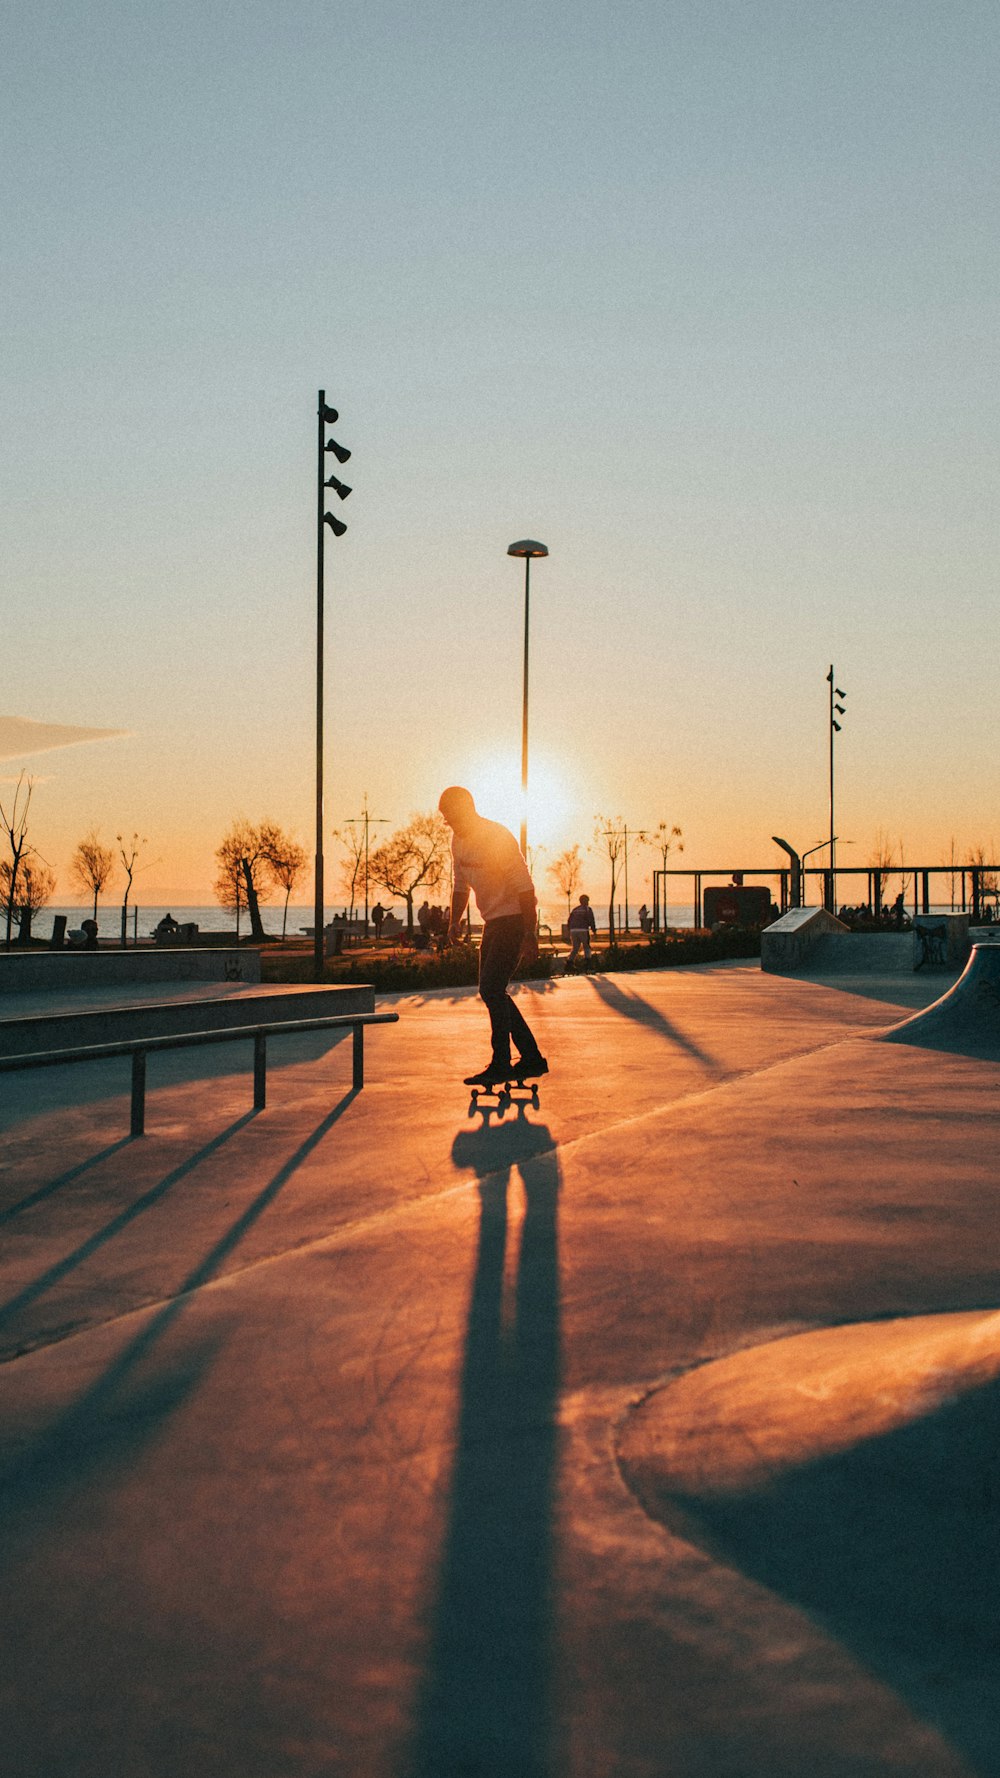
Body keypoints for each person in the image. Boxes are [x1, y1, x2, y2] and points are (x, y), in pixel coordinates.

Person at [439, 785, 548, 1087]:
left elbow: (526, 889)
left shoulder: (497, 837)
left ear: (468, 810)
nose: (452, 825)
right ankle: (531, 1058)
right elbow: (460, 885)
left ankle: (502, 1062)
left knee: (491, 989)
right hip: (492, 923)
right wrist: (454, 921)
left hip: (513, 920)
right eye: (447, 820)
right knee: (492, 991)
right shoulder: (458, 842)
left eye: (454, 818)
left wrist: (530, 934)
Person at [566, 893, 596, 968]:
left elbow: (569, 920)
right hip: (583, 930)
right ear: (586, 901)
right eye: (588, 901)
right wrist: (593, 929)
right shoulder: (588, 909)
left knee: (575, 947)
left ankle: (570, 962)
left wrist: (569, 929)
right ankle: (587, 962)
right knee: (586, 946)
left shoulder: (575, 910)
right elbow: (591, 919)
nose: (588, 902)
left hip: (573, 930)